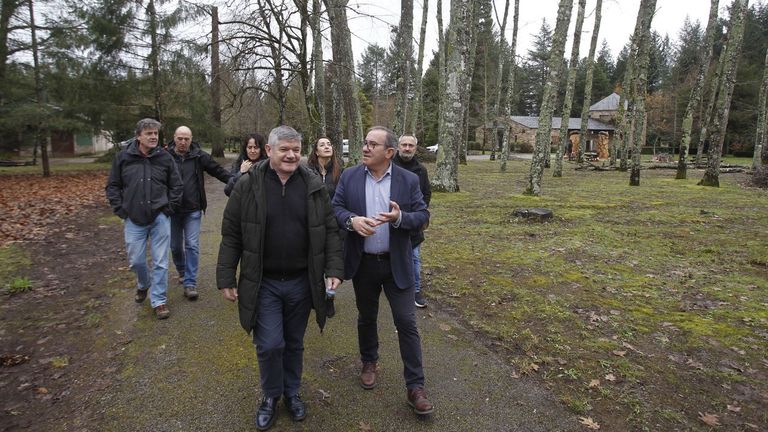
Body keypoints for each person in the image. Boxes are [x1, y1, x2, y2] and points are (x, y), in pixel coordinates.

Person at [216, 125, 343, 431]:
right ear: (269, 150)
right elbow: (231, 234)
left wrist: (334, 269)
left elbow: (330, 230)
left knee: (294, 342)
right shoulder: (248, 184)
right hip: (264, 282)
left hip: (301, 281)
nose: (291, 155)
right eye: (284, 149)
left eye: (296, 150)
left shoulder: (313, 185)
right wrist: (226, 276)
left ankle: (292, 392)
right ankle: (271, 395)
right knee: (271, 344)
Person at [332, 126, 433, 416]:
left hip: (396, 263)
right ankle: (369, 361)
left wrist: (400, 218)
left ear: (389, 152)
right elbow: (335, 207)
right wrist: (351, 221)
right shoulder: (350, 176)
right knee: (366, 317)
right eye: (365, 142)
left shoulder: (408, 179)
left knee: (407, 323)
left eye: (372, 144)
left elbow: (423, 216)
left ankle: (415, 387)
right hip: (363, 263)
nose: (365, 148)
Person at [106, 118, 183, 320]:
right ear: (138, 136)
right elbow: (113, 186)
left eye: (155, 133)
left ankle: (159, 300)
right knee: (136, 260)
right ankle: (143, 283)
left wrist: (168, 209)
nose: (153, 137)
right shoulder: (123, 158)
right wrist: (121, 209)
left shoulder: (165, 158)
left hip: (160, 217)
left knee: (160, 262)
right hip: (133, 218)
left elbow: (177, 186)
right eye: (149, 133)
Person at [167, 126, 231, 299]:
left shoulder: (199, 156)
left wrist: (236, 180)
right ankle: (182, 270)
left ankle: (190, 283)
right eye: (180, 138)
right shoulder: (165, 156)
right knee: (175, 246)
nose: (183, 142)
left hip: (193, 209)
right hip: (172, 210)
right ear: (174, 138)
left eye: (186, 139)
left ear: (191, 139)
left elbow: (218, 171)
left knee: (192, 245)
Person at [392, 135, 432, 308]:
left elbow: (426, 193)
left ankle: (415, 291)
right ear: (398, 146)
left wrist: (419, 213)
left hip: (413, 222)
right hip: (390, 220)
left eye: (411, 145)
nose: (407, 148)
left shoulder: (421, 170)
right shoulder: (389, 165)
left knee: (414, 257)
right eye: (404, 145)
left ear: (416, 148)